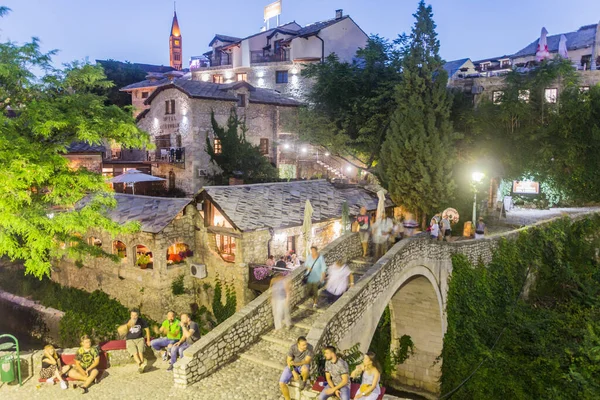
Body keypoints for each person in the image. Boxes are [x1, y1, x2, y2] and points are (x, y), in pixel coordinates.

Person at [119, 309, 151, 373]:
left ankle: (140, 367)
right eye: (132, 315)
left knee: (140, 352)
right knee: (134, 352)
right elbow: (121, 331)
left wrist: (148, 340)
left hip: (140, 338)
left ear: (138, 315)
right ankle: (141, 364)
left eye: (135, 315)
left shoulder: (141, 321)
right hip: (130, 340)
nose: (134, 317)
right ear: (130, 315)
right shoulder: (127, 321)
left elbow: (147, 330)